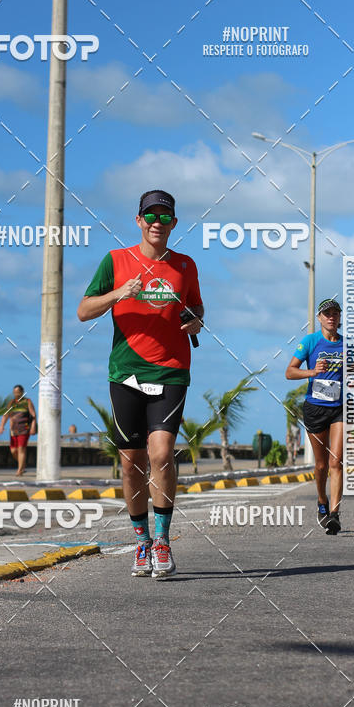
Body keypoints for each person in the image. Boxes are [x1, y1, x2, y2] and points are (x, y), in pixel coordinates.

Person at [77, 189, 203, 578]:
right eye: (151, 216)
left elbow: (196, 306)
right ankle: (141, 541)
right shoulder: (116, 261)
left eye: (165, 217)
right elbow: (83, 311)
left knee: (162, 454)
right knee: (131, 463)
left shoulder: (185, 265)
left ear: (174, 224)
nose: (157, 223)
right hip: (126, 373)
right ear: (138, 221)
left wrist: (196, 320)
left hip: (170, 370)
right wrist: (119, 292)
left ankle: (162, 541)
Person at [285, 299, 343, 535]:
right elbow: (289, 372)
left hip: (339, 408)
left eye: (335, 313)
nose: (331, 317)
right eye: (326, 313)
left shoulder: (347, 345)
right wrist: (312, 372)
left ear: (339, 318)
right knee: (321, 465)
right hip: (315, 408)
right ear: (319, 318)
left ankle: (335, 515)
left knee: (335, 463)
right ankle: (322, 500)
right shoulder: (310, 341)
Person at [0, 385, 37, 476]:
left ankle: (19, 470)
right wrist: (2, 426)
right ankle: (22, 463)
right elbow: (5, 415)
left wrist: (33, 427)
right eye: (15, 392)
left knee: (21, 449)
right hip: (13, 430)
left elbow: (33, 415)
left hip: (24, 429)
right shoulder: (11, 403)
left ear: (22, 392)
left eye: (18, 392)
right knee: (13, 451)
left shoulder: (27, 402)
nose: (16, 394)